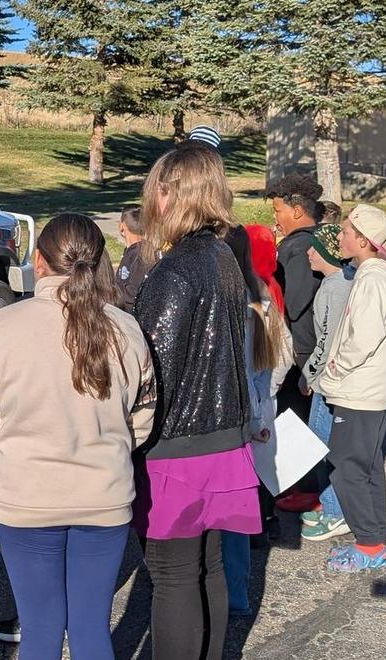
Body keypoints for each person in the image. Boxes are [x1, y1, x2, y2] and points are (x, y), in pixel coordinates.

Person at [0, 213, 156, 660]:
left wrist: (13, 456)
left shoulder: (3, 328)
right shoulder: (127, 331)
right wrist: (108, 447)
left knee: (40, 633)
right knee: (91, 630)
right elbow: (142, 420)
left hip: (26, 498)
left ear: (38, 261)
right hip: (104, 499)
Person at [131, 144, 260, 659]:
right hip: (223, 440)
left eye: (156, 189)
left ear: (169, 194)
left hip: (176, 447)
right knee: (207, 567)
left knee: (173, 576)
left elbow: (151, 371)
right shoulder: (222, 255)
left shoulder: (176, 270)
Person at [315, 205, 386, 572]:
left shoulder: (372, 278)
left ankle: (370, 544)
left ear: (362, 240)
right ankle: (372, 539)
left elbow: (364, 338)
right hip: (370, 388)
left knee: (347, 468)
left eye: (344, 232)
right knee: (367, 465)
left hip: (360, 389)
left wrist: (334, 368)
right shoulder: (376, 274)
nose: (339, 237)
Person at [226, 225, 293, 618]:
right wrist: (266, 395)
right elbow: (283, 357)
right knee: (241, 504)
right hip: (261, 406)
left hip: (237, 415)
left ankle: (227, 590)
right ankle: (238, 593)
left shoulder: (232, 303)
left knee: (226, 510)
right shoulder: (263, 297)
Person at [264, 174, 326, 516]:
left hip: (300, 348)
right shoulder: (319, 238)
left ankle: (303, 488)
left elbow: (294, 298)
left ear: (298, 211)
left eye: (279, 210)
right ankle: (303, 486)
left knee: (294, 418)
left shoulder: (297, 245)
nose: (276, 218)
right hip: (311, 345)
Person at [300, 222, 356, 542]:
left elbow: (327, 341)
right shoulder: (339, 283)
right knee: (325, 445)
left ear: (326, 253)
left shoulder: (335, 288)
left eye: (315, 248)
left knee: (325, 446)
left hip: (326, 382)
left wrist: (309, 374)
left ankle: (335, 511)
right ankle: (329, 502)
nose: (309, 253)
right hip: (331, 380)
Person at [115, 205, 151, 311]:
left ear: (122, 225)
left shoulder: (142, 256)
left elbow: (133, 294)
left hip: (131, 320)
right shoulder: (133, 251)